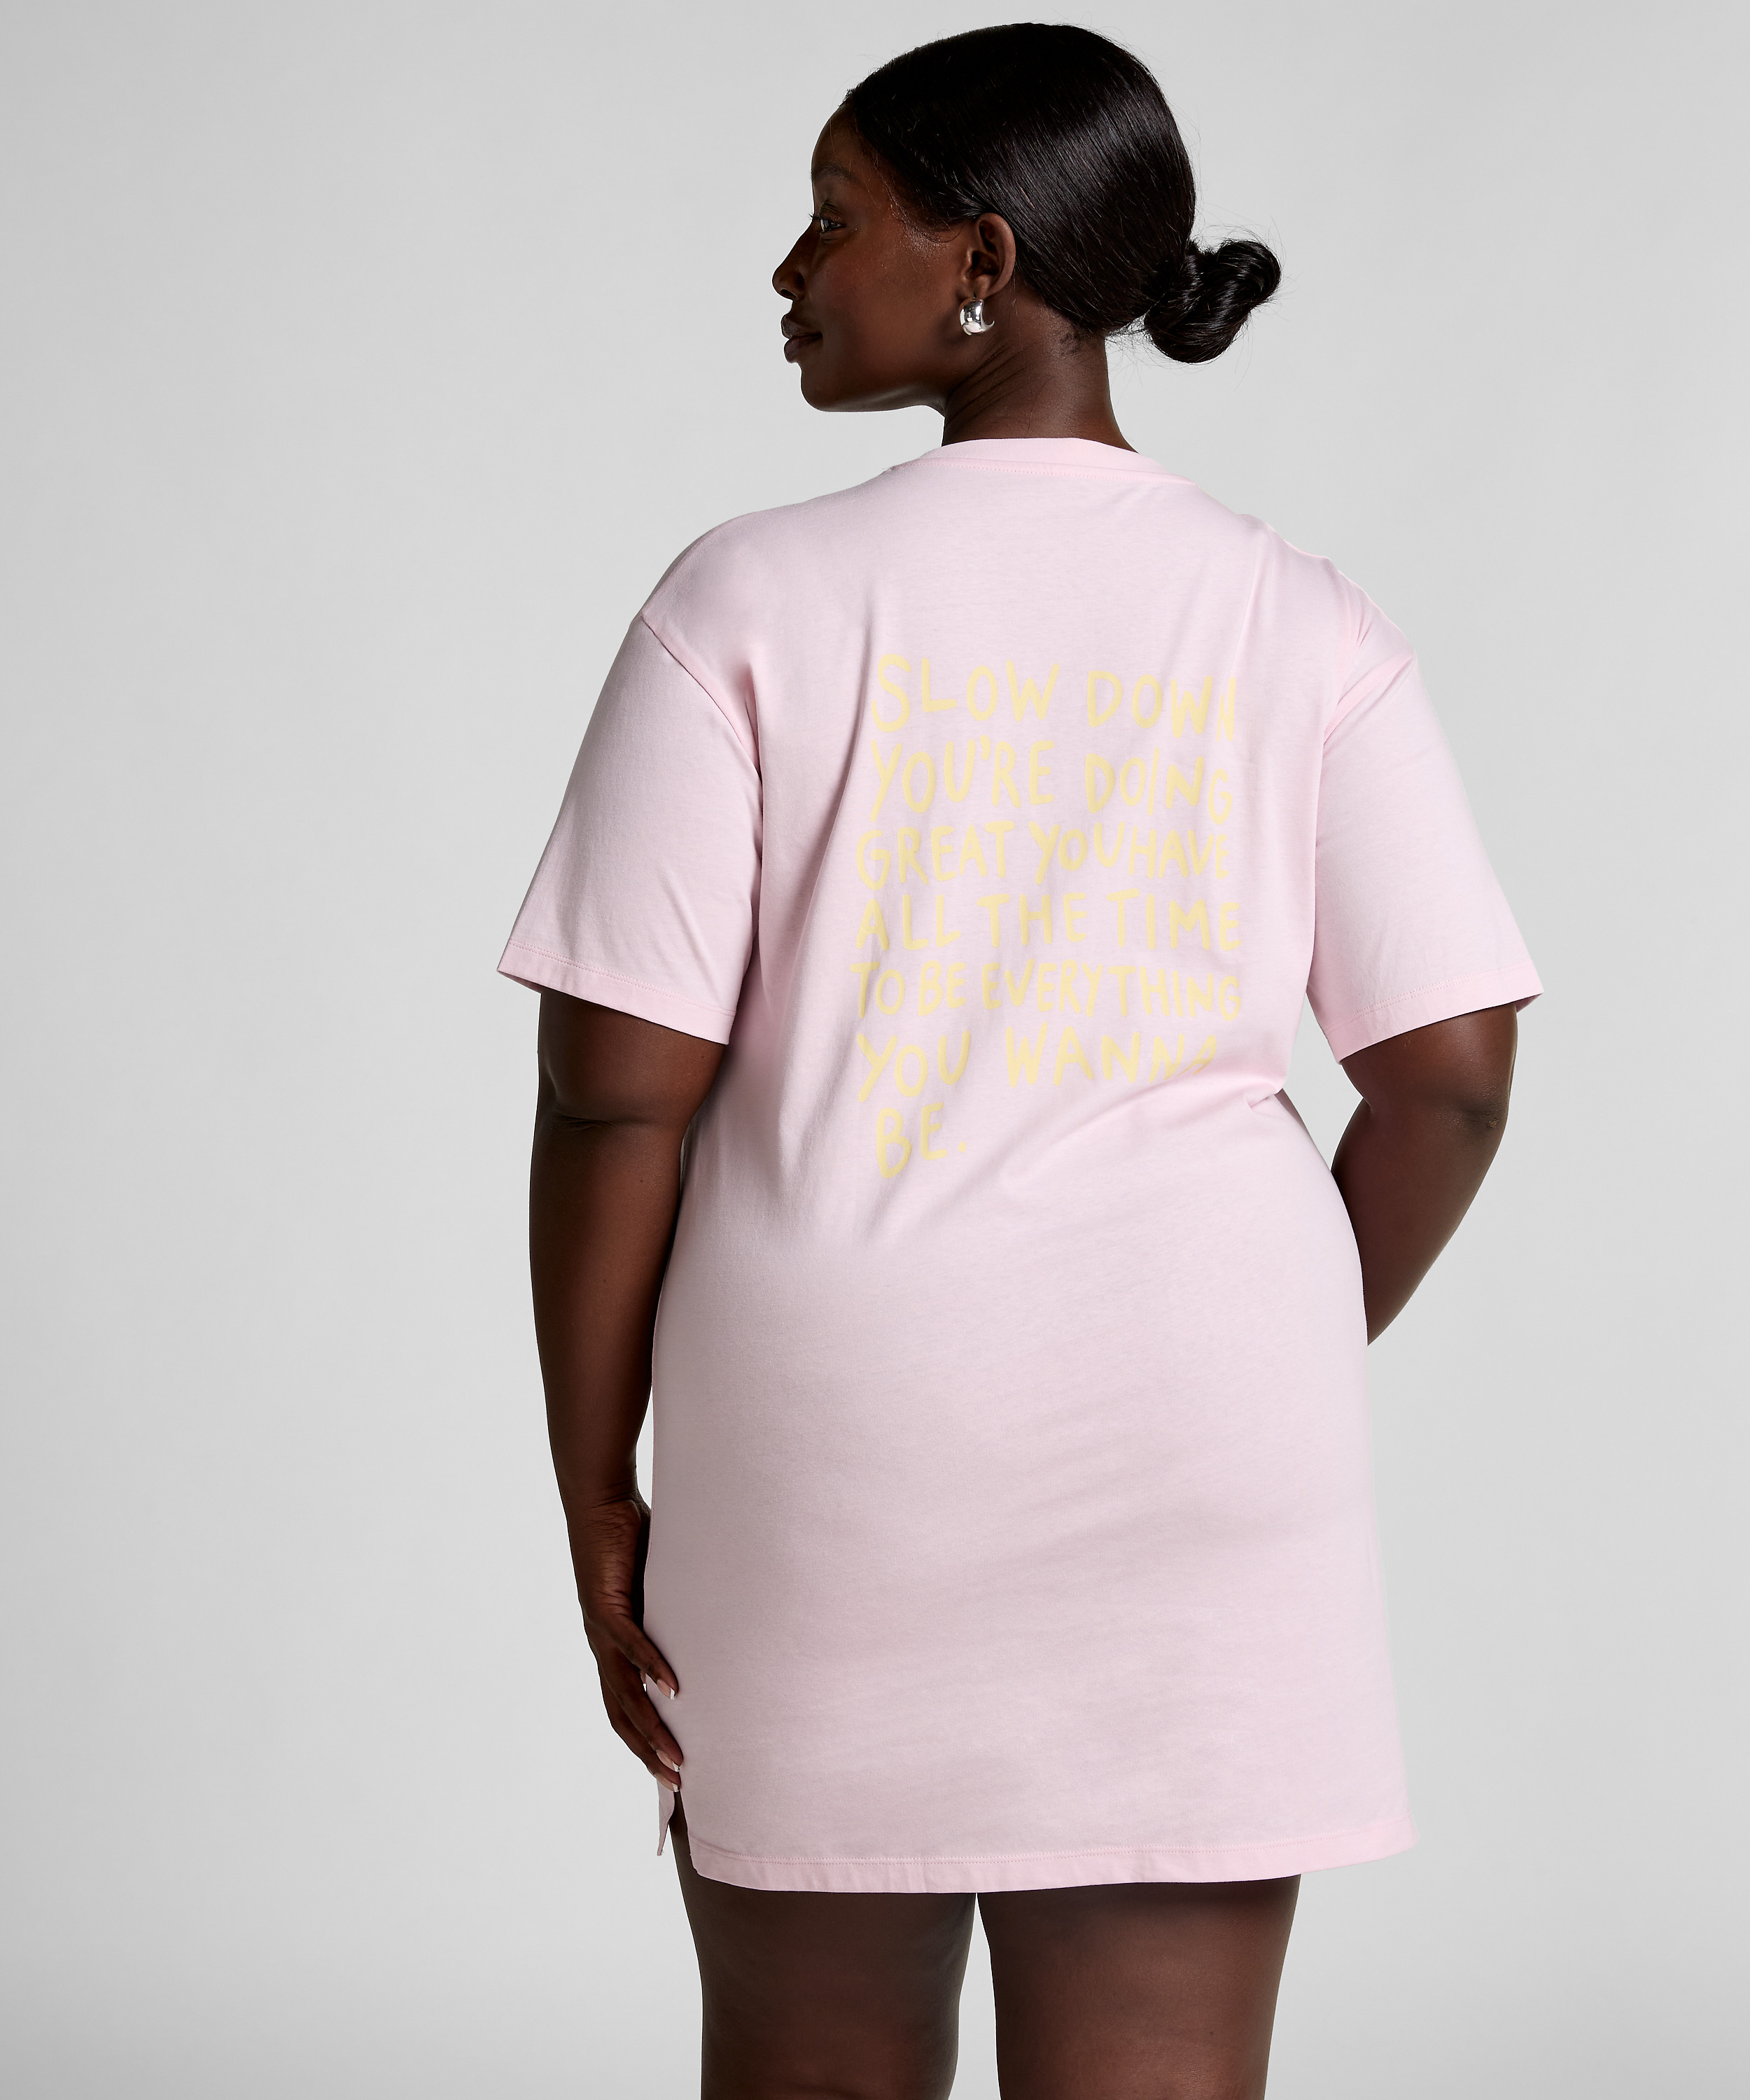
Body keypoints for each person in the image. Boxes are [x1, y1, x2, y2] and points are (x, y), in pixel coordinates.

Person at [499, 23, 1540, 2098]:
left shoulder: (744, 604)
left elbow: (618, 1091)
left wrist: (599, 1492)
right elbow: (1453, 1072)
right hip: (1206, 1451)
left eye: (833, 218)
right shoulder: (1299, 620)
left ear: (982, 260)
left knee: (811, 2069)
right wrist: (1263, 1341)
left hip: (833, 1448)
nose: (790, 268)